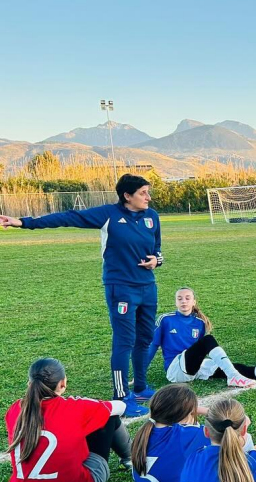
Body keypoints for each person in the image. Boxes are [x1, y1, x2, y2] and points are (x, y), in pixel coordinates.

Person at [1, 174, 163, 415]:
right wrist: (23, 222)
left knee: (145, 339)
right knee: (124, 341)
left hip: (148, 287)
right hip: (121, 288)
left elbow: (158, 250)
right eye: (143, 193)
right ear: (127, 196)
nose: (148, 197)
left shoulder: (152, 217)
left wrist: (156, 261)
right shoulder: (108, 214)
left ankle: (140, 386)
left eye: (148, 192)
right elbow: (69, 217)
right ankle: (121, 395)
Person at [2, 358, 131, 482]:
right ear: (62, 384)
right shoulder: (74, 407)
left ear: (30, 383)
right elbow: (120, 407)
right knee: (108, 416)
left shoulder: (15, 409)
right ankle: (131, 460)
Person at [150, 287, 256, 388]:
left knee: (234, 367)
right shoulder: (165, 319)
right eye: (180, 298)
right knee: (208, 340)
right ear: (175, 302)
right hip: (175, 369)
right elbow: (151, 347)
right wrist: (139, 376)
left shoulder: (199, 323)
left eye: (187, 298)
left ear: (194, 302)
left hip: (194, 368)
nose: (183, 301)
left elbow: (199, 352)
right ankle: (233, 376)